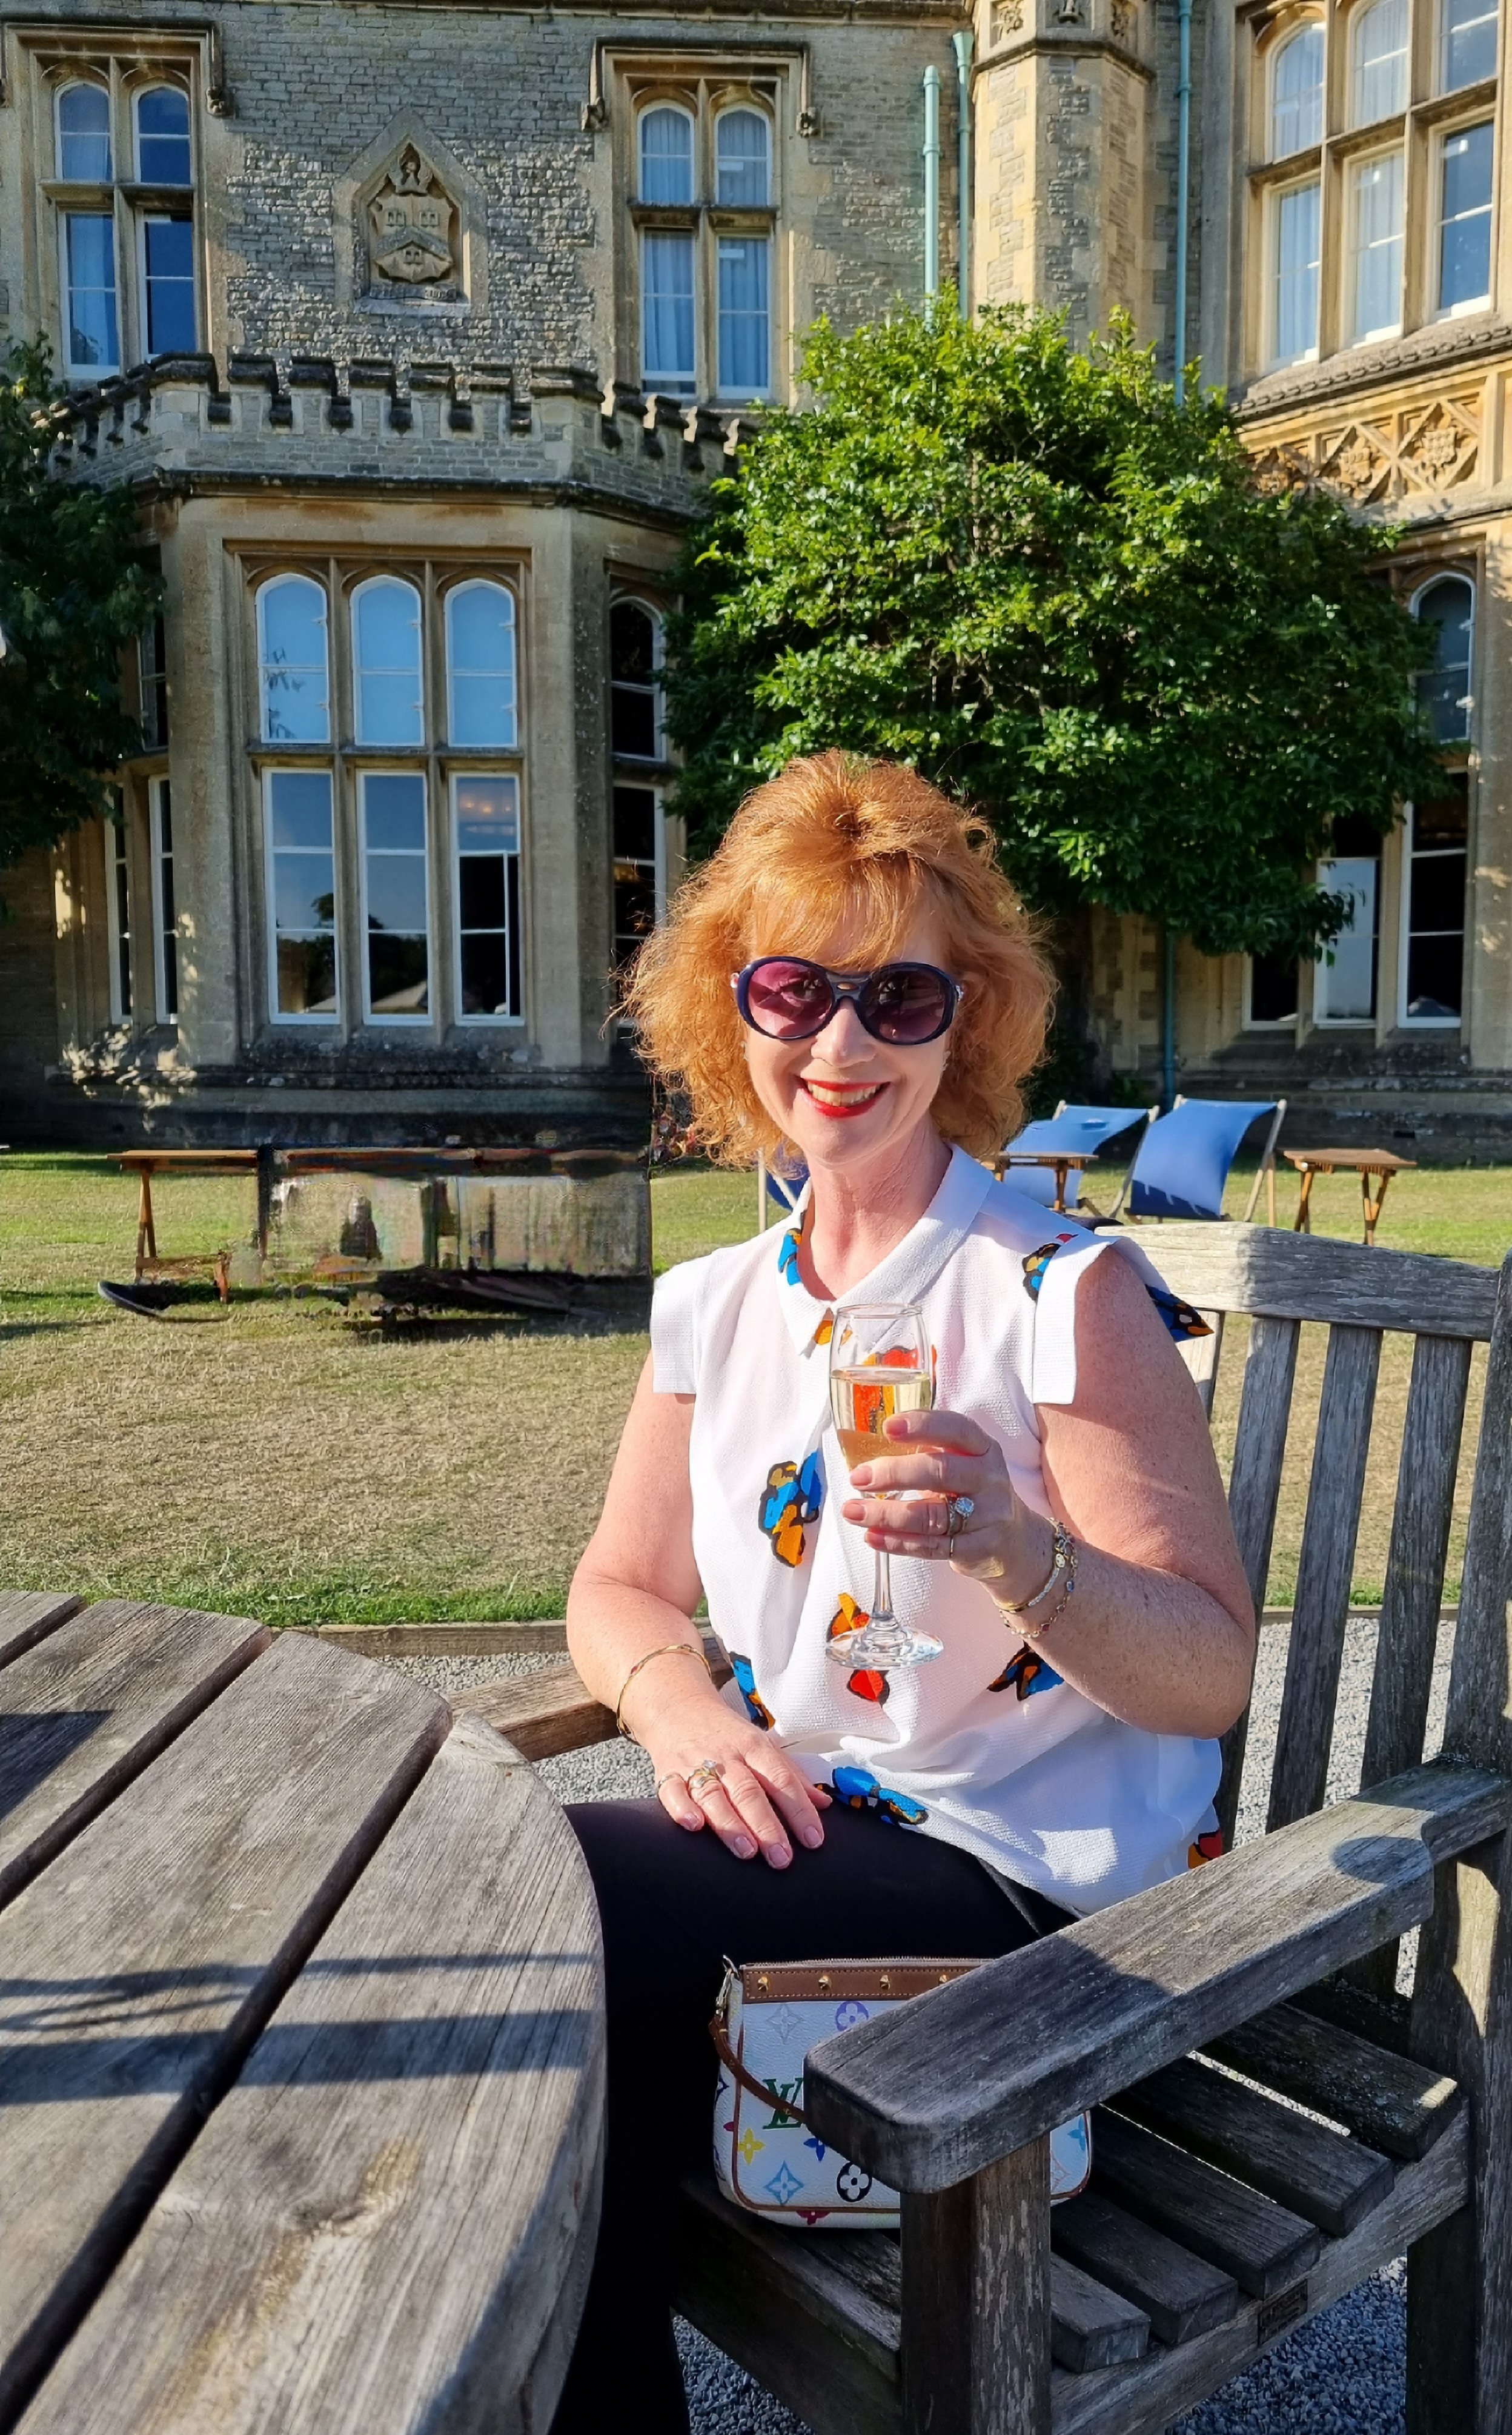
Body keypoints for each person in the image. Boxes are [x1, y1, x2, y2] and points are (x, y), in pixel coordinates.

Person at [555, 753, 1255, 2428]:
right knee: (550, 1952)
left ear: (968, 1021)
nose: (843, 1042)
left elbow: (1207, 1672)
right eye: (794, 990)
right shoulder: (715, 1302)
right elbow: (619, 1586)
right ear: (734, 1010)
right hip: (809, 1838)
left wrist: (1019, 1548)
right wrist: (683, 1714)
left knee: (561, 1922)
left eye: (901, 996)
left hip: (1031, 1894)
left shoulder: (1059, 1291)